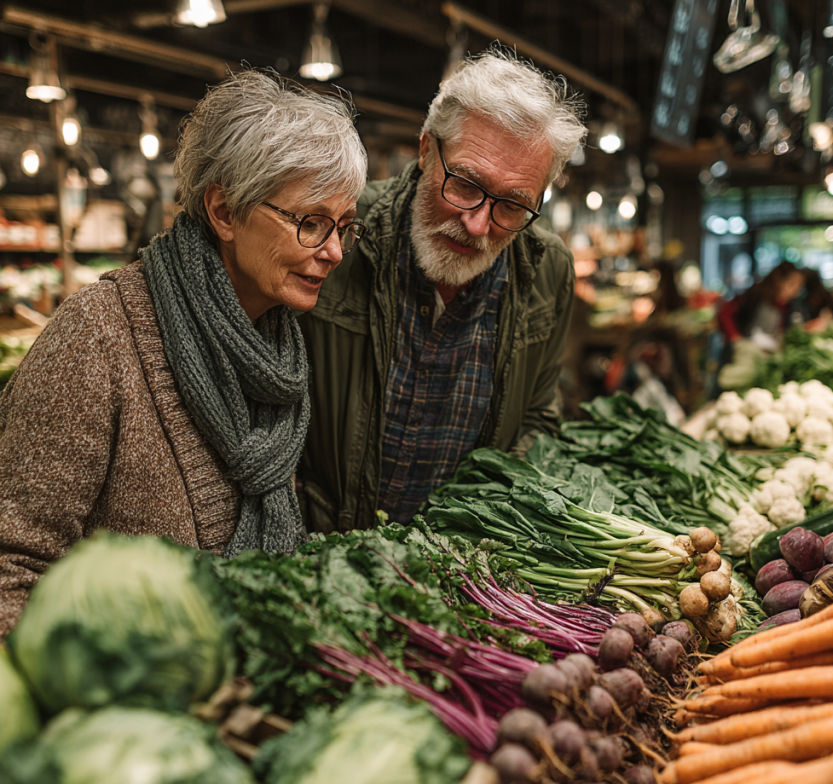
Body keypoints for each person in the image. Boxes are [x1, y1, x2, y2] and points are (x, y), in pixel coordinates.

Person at [0, 71, 368, 637]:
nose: (336, 251)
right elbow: (11, 564)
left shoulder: (279, 349)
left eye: (344, 226)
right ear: (223, 211)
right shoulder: (97, 336)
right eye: (312, 223)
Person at [297, 47, 586, 532]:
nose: (478, 226)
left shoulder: (547, 269)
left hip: (459, 570)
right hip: (318, 553)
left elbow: (537, 416)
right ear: (427, 149)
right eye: (466, 185)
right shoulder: (337, 232)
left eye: (513, 206)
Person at [717, 261, 805, 353]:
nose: (795, 291)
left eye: (799, 287)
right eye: (792, 284)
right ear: (779, 281)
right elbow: (725, 313)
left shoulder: (787, 307)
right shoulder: (755, 294)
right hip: (741, 353)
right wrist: (736, 339)